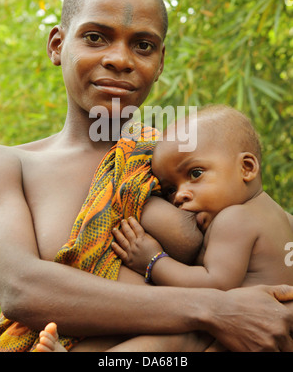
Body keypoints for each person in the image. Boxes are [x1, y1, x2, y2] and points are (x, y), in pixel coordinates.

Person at [0, 0, 293, 353]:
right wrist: (216, 309)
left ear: (161, 61)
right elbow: (21, 288)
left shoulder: (187, 162)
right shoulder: (7, 166)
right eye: (95, 37)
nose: (120, 59)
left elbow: (273, 238)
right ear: (57, 44)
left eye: (143, 46)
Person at [37, 104, 293, 352]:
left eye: (195, 173)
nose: (180, 195)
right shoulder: (282, 218)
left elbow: (214, 286)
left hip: (236, 335)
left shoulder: (235, 218)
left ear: (246, 168)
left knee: (173, 340)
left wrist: (153, 261)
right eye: (170, 189)